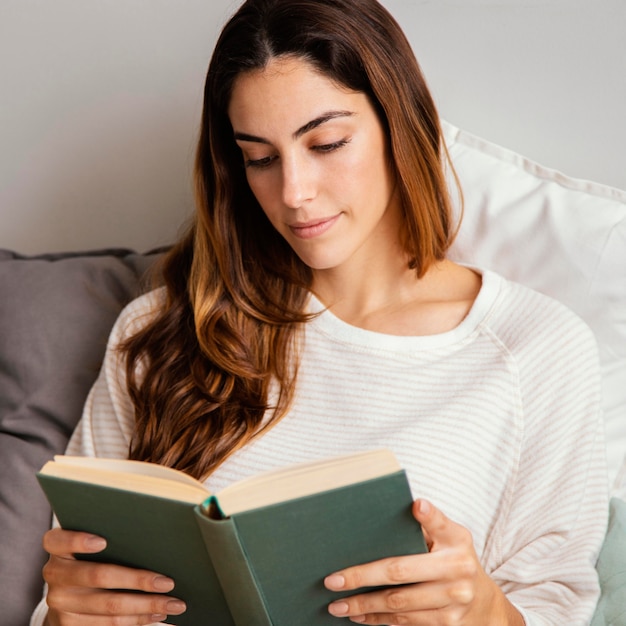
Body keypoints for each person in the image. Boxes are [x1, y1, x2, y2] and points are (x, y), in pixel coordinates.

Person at [31, 0, 609, 624]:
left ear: (400, 125)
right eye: (261, 157)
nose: (294, 193)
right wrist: (66, 614)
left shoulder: (534, 348)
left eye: (327, 143)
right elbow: (66, 593)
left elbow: (556, 602)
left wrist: (484, 611)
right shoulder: (161, 331)